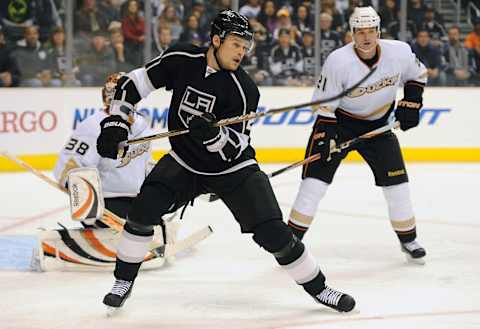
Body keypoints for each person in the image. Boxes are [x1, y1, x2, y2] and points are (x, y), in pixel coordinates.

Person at [96, 10, 355, 313]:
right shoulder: (181, 58)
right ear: (216, 40)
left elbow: (234, 148)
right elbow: (133, 84)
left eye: (246, 48)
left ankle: (320, 288)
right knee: (141, 213)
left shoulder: (244, 90)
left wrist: (212, 136)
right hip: (184, 161)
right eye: (236, 45)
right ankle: (122, 282)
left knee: (275, 234)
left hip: (234, 170)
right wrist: (116, 121)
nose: (241, 53)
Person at [287, 7, 428, 265]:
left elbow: (417, 75)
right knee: (313, 186)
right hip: (339, 124)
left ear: (378, 31)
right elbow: (322, 104)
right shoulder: (338, 61)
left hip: (378, 126)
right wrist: (326, 135)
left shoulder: (399, 51)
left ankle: (408, 239)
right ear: (352, 33)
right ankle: (289, 243)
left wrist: (411, 103)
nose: (366, 37)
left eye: (371, 31)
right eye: (360, 32)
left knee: (398, 187)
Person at [47, 72, 177, 269]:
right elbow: (66, 168)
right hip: (108, 204)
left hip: (136, 198)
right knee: (141, 230)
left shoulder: (142, 124)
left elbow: (145, 164)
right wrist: (86, 203)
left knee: (153, 223)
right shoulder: (92, 126)